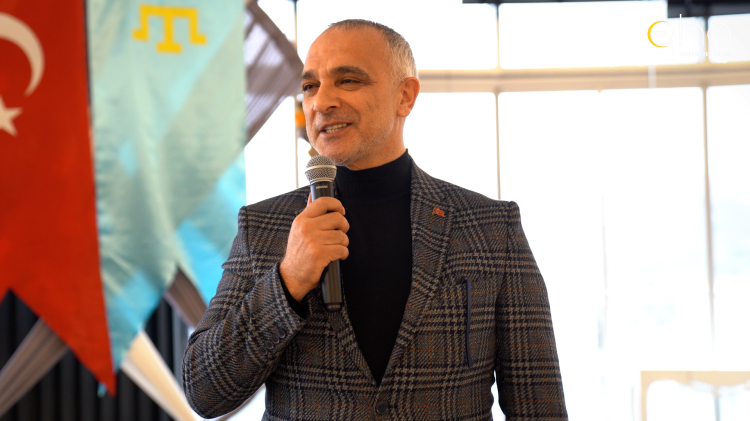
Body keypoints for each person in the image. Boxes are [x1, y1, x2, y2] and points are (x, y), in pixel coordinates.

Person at [183, 19, 567, 420]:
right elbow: (204, 393)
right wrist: (287, 281)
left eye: (347, 80)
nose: (320, 102)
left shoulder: (491, 227)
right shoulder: (263, 226)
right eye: (310, 86)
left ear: (405, 96)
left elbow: (539, 406)